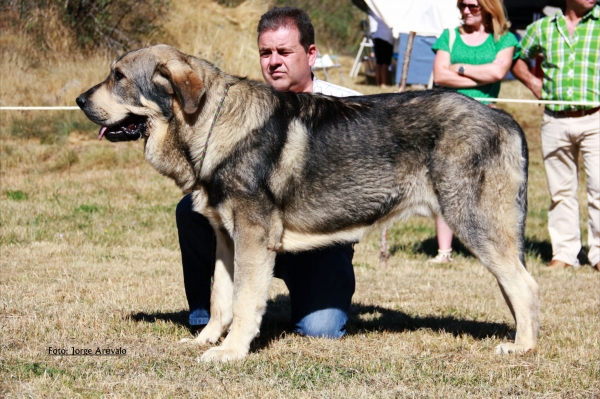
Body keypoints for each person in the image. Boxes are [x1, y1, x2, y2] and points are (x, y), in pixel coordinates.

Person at [176, 7, 362, 340]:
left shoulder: (350, 108)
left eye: (284, 52)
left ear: (311, 54)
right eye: (266, 52)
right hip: (253, 232)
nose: (273, 61)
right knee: (191, 209)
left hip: (321, 246)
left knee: (321, 331)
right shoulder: (247, 108)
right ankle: (205, 315)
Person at [429, 0, 520, 263]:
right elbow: (440, 76)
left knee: (488, 187)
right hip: (449, 120)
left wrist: (458, 68)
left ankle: (489, 248)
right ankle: (443, 251)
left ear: (489, 7)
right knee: (445, 184)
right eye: (462, 6)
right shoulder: (449, 36)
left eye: (473, 6)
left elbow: (498, 71)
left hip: (487, 122)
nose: (465, 11)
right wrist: (480, 74)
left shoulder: (505, 39)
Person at [511, 0, 599, 271]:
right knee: (560, 191)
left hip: (596, 118)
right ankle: (564, 254)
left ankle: (598, 255)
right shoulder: (543, 28)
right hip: (555, 120)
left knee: (599, 190)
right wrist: (533, 82)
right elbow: (517, 59)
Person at [368, 12, 394, 87]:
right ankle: (383, 83)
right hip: (386, 37)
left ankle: (378, 83)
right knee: (385, 62)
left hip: (378, 36)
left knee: (379, 62)